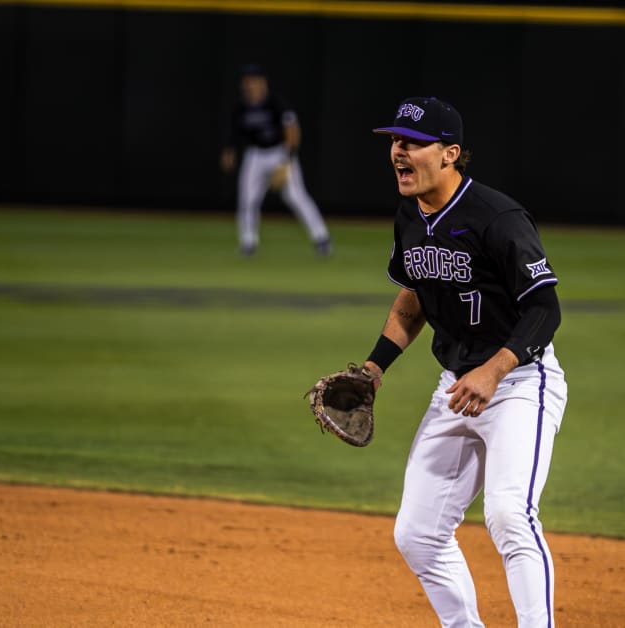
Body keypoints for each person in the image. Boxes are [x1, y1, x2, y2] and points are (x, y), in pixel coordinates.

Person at [362, 96, 568, 628]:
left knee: (509, 515)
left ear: (450, 154)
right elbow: (413, 299)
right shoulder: (409, 215)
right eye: (394, 142)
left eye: (411, 143)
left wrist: (494, 369)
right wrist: (374, 366)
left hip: (521, 381)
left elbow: (545, 309)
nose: (398, 153)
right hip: (456, 386)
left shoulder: (498, 217)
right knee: (417, 533)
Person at [220, 64, 330, 256]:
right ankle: (248, 242)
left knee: (295, 196)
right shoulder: (241, 106)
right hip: (255, 155)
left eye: (253, 81)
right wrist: (230, 151)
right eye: (247, 81)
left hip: (280, 152)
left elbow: (293, 130)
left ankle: (321, 238)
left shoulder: (276, 103)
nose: (249, 85)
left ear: (262, 82)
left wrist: (287, 161)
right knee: (248, 198)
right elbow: (235, 132)